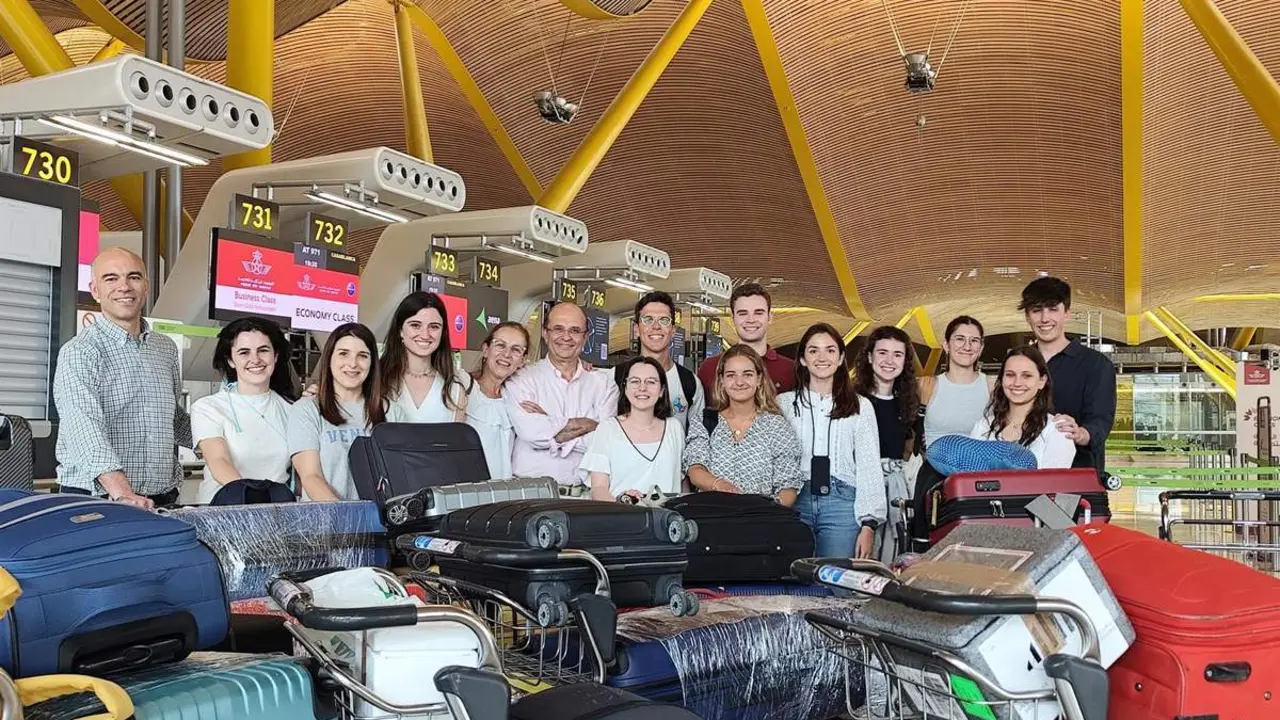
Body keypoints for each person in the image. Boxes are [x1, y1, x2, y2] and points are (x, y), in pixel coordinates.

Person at [53, 247, 191, 509]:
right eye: (111, 278)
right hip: (100, 499)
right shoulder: (80, 352)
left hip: (162, 497)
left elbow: (173, 418)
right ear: (95, 290)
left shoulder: (164, 348)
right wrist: (122, 492)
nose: (124, 287)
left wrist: (221, 441)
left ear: (146, 287)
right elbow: (83, 427)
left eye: (134, 277)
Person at [779, 323, 885, 558]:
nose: (822, 357)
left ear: (840, 358)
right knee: (793, 581)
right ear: (803, 359)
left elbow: (868, 465)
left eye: (830, 350)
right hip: (795, 498)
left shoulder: (860, 405)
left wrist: (869, 523)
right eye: (813, 350)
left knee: (836, 582)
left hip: (842, 503)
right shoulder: (783, 404)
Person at [505, 302, 618, 488]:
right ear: (545, 333)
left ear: (585, 337)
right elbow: (531, 432)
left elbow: (605, 441)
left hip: (585, 495)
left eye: (575, 330)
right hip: (532, 492)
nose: (566, 337)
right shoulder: (522, 378)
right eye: (558, 329)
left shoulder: (603, 383)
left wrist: (549, 422)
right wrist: (590, 425)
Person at [191, 317, 298, 503]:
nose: (255, 359)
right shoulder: (208, 407)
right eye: (244, 352)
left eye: (263, 350)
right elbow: (219, 462)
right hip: (225, 511)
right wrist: (253, 504)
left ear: (276, 356)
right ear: (230, 360)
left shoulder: (292, 409)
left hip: (278, 512)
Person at [288, 323, 397, 501]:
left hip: (380, 524)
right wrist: (346, 520)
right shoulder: (306, 410)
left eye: (362, 356)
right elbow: (310, 477)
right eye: (343, 354)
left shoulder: (390, 410)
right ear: (329, 358)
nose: (352, 364)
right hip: (327, 522)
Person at [684, 345, 803, 506]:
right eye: (731, 375)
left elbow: (788, 484)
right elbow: (695, 469)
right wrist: (719, 485)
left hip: (760, 522)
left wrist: (771, 514)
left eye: (747, 374)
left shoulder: (776, 426)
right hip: (713, 518)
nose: (739, 382)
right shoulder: (705, 421)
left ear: (759, 379)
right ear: (722, 380)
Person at [1019, 277, 1117, 472]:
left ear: (1067, 314)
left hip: (1076, 478)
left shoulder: (1096, 365)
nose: (1044, 318)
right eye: (1036, 310)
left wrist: (1080, 433)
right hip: (1023, 478)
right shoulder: (1019, 362)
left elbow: (1100, 422)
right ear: (1028, 316)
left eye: (1053, 309)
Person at [853, 326, 922, 563]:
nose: (889, 361)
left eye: (897, 354)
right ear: (870, 356)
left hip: (896, 490)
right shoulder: (852, 401)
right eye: (882, 353)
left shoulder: (910, 404)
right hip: (859, 489)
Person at [582, 357, 686, 501]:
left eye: (651, 382)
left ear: (662, 390)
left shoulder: (674, 428)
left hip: (667, 520)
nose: (642, 388)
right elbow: (598, 489)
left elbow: (681, 481)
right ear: (625, 388)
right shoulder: (607, 429)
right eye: (635, 381)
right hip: (621, 519)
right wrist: (621, 507)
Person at [971, 347, 1076, 469]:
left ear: (1042, 381)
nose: (1017, 383)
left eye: (1027, 376)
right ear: (1002, 379)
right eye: (1010, 375)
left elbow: (1053, 484)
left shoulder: (1057, 429)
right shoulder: (983, 427)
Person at [614, 291, 705, 432]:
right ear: (636, 329)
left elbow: (698, 436)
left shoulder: (690, 383)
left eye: (664, 320)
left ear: (673, 330)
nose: (656, 326)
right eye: (648, 320)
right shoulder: (614, 378)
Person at [381, 292, 469, 423]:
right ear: (400, 330)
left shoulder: (454, 391)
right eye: (415, 325)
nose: (425, 334)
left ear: (442, 332)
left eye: (434, 327)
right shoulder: (378, 380)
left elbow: (457, 442)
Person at [696, 283, 796, 396]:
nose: (751, 320)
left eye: (758, 313)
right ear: (733, 319)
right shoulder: (710, 368)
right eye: (743, 313)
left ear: (770, 317)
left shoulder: (790, 370)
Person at [466, 322, 530, 479]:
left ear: (522, 360)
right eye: (500, 345)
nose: (507, 354)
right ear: (486, 350)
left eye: (516, 349)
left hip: (503, 496)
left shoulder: (516, 396)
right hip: (466, 493)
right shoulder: (463, 388)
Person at [920, 316, 996, 449]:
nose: (967, 346)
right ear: (946, 345)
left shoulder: (992, 387)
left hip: (979, 467)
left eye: (974, 340)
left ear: (981, 348)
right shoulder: (926, 386)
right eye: (960, 339)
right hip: (933, 467)